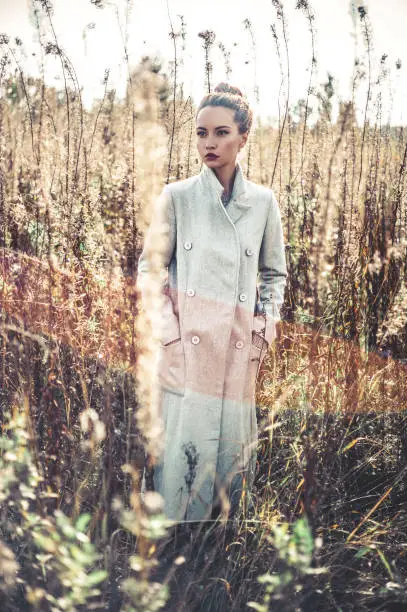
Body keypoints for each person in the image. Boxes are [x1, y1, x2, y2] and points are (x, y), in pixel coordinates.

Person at [137, 82, 287, 523]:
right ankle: (173, 554)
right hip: (186, 350)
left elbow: (274, 275)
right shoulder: (177, 197)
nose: (209, 143)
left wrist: (264, 332)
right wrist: (169, 335)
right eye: (201, 133)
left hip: (240, 350)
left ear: (243, 137)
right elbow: (149, 270)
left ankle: (224, 554)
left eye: (221, 132)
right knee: (183, 465)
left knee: (229, 466)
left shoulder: (262, 203)